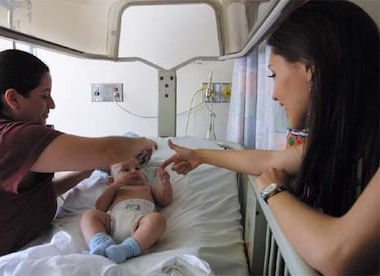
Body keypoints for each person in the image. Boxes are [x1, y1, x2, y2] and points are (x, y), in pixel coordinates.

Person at [161, 1, 379, 275]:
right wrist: (200, 155)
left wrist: (275, 193)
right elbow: (269, 159)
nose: (274, 94)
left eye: (274, 74)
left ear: (310, 69)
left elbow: (338, 255)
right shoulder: (347, 139)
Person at [0, 49, 157, 273]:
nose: (52, 105)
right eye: (44, 96)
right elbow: (108, 149)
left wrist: (85, 173)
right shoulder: (15, 138)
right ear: (13, 98)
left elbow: (33, 196)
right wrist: (145, 142)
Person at [80, 158, 172, 263]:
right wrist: (114, 187)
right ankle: (100, 243)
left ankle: (127, 249)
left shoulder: (147, 187)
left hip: (140, 223)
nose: (134, 171)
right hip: (113, 222)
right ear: (111, 180)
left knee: (158, 219)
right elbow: (100, 207)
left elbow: (165, 200)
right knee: (89, 215)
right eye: (126, 170)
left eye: (137, 168)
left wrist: (165, 183)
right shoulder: (116, 189)